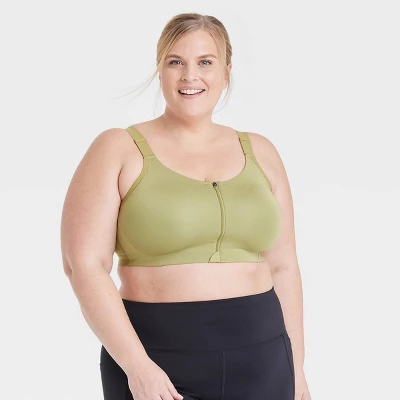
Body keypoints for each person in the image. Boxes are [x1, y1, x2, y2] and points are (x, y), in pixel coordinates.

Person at [61, 12, 311, 400]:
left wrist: (297, 370)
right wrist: (137, 366)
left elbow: (284, 266)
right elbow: (83, 265)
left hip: (264, 359)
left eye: (205, 62)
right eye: (175, 62)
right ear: (159, 70)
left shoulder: (261, 152)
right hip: (158, 365)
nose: (189, 76)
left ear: (226, 71)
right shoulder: (118, 149)